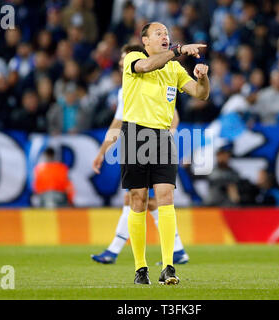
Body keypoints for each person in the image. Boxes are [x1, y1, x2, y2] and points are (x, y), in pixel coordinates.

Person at [120, 22, 209, 285]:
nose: (164, 36)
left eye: (167, 34)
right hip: (135, 133)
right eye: (158, 33)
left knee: (166, 197)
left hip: (161, 135)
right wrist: (179, 48)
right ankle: (140, 268)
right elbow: (147, 66)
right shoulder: (134, 58)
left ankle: (168, 266)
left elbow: (200, 95)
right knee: (137, 199)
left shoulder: (174, 68)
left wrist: (203, 78)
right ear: (145, 41)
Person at [91, 44, 189, 265]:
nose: (120, 64)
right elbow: (118, 123)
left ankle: (115, 250)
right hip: (136, 143)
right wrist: (102, 151)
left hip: (157, 146)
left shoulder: (154, 80)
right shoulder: (126, 88)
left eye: (124, 59)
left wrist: (164, 137)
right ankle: (177, 250)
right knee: (140, 199)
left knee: (145, 199)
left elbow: (174, 117)